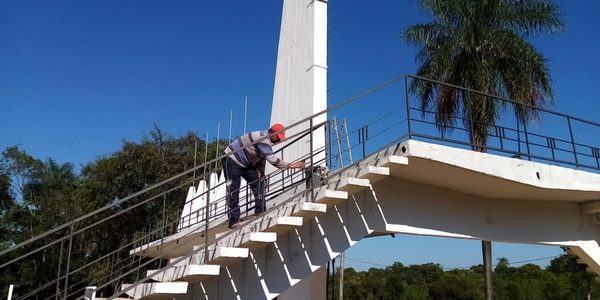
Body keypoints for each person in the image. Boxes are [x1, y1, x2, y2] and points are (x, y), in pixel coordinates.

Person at [223, 123, 305, 229]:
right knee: (233, 189)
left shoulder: (267, 141)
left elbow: (261, 157)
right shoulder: (263, 138)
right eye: (278, 137)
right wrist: (291, 165)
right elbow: (271, 158)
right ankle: (233, 221)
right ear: (271, 132)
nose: (279, 140)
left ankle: (260, 212)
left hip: (247, 163)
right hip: (231, 159)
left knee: (259, 182)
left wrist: (261, 171)